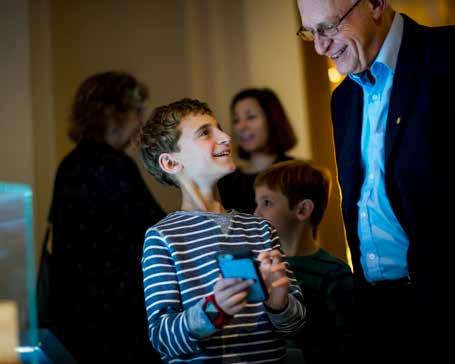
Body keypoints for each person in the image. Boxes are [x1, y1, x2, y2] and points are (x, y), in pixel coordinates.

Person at [296, 0, 454, 361]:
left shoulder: (445, 56)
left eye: (328, 27)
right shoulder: (343, 99)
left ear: (375, 4)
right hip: (380, 314)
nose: (320, 46)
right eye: (310, 33)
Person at [138, 98, 306, 363]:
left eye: (219, 128)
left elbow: (294, 325)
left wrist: (279, 304)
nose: (226, 137)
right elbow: (163, 338)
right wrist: (213, 311)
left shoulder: (260, 228)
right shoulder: (163, 238)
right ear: (170, 163)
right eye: (205, 133)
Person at [47, 71, 165, 363]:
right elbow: (157, 233)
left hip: (74, 318)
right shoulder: (114, 165)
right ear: (111, 113)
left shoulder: (69, 165)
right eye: (137, 111)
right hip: (116, 321)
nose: (140, 121)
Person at [254, 160, 353, 364]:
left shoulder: (335, 274)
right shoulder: (259, 267)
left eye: (267, 203)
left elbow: (344, 348)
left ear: (302, 209)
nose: (256, 213)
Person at [218, 88, 297, 214]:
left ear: (272, 120)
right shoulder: (227, 181)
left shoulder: (295, 173)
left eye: (251, 117)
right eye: (236, 120)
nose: (241, 126)